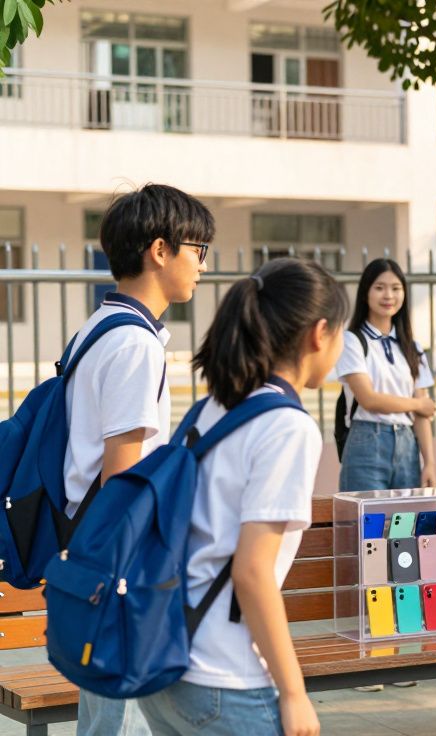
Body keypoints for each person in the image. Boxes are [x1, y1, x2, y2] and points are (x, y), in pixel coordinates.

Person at [137, 258, 348, 736]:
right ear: (319, 334)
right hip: (225, 675)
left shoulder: (210, 408)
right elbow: (252, 571)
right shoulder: (287, 427)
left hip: (165, 659)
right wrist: (293, 692)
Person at [63, 184, 212, 736]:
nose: (201, 264)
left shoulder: (98, 328)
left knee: (108, 714)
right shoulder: (135, 345)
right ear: (160, 250)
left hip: (95, 552)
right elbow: (121, 473)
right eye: (198, 249)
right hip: (120, 560)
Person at [337, 258, 436, 493]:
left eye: (396, 288)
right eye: (379, 287)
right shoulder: (352, 340)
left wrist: (430, 462)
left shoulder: (412, 346)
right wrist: (417, 404)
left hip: (407, 444)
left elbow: (422, 416)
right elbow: (369, 399)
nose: (388, 296)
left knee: (404, 527)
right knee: (366, 524)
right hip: (367, 439)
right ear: (365, 293)